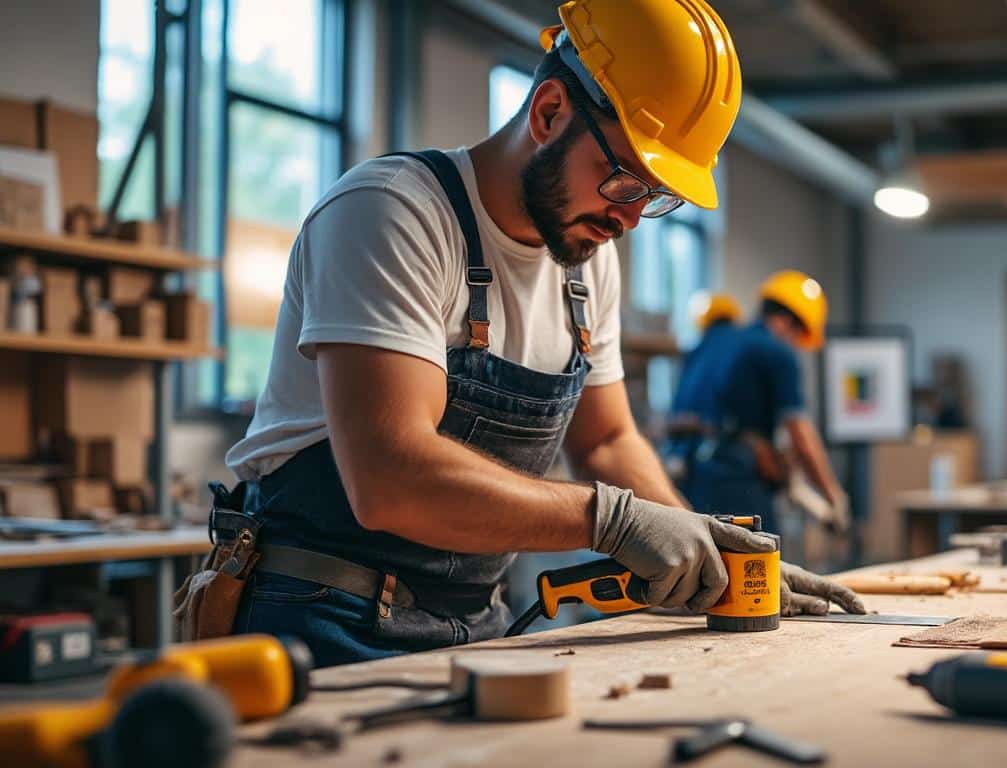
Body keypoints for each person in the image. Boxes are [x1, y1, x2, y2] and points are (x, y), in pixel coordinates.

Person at [221, 0, 862, 668]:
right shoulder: (393, 211)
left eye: (655, 196)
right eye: (623, 180)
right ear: (550, 111)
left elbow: (608, 441)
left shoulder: (587, 263)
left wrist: (705, 546)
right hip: (316, 625)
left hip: (474, 623)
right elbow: (390, 477)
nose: (631, 218)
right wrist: (612, 521)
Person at [685, 271, 849, 534]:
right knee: (759, 567)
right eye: (799, 336)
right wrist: (834, 495)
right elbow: (801, 433)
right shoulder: (777, 351)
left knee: (705, 566)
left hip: (692, 478)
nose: (796, 346)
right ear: (788, 322)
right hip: (739, 481)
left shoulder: (713, 342)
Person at [663, 292, 742, 491]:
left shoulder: (695, 351)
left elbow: (682, 403)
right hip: (727, 454)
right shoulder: (742, 347)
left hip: (690, 453)